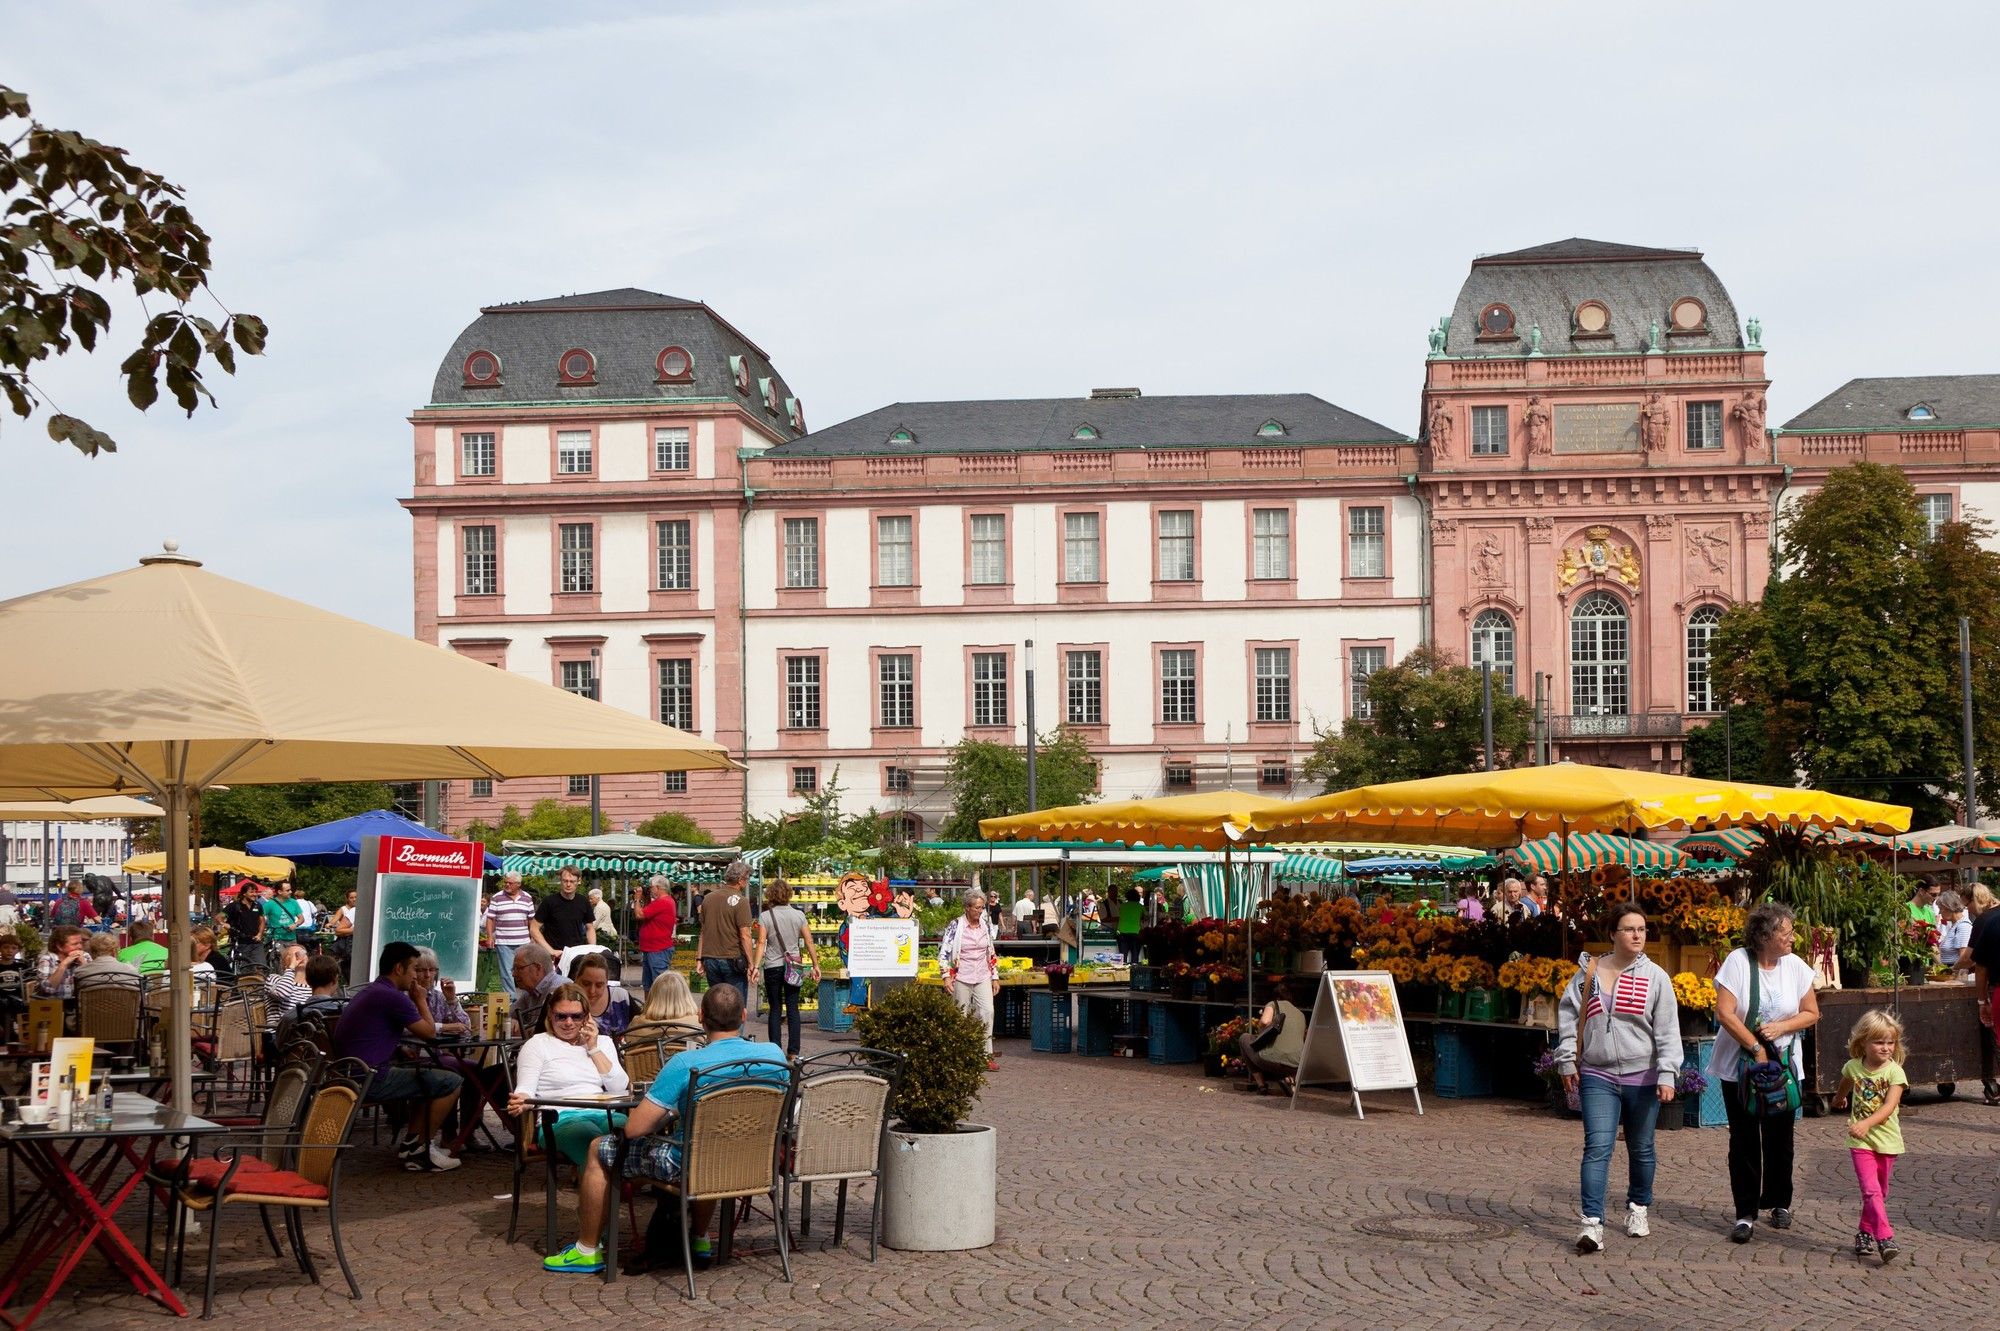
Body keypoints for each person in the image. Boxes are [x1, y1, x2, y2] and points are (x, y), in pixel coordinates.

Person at [541, 985, 785, 1275]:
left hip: (687, 1163)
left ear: (701, 1016)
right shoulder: (774, 1055)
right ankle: (698, 1239)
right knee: (710, 1147)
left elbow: (634, 1129)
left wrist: (671, 1110)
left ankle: (587, 1249)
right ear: (743, 1015)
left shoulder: (686, 1063)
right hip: (751, 1159)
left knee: (597, 1148)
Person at [1556, 902, 1681, 1254]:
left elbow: (1668, 1029)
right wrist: (1567, 1061)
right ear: (1613, 934)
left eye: (1642, 929)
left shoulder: (1656, 977)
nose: (1637, 935)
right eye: (1629, 929)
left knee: (1642, 1148)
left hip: (1644, 1075)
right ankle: (1592, 1224)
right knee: (1597, 1147)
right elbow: (1568, 1017)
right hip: (1597, 1072)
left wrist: (1668, 1073)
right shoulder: (1588, 972)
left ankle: (1638, 1208)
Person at [1708, 901, 1820, 1243]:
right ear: (1765, 935)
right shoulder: (1738, 963)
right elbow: (1725, 1013)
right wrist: (1755, 1047)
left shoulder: (1796, 967)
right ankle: (1745, 1212)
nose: (1792, 938)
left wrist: (1782, 1026)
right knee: (1743, 1139)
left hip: (1782, 1067)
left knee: (1780, 1138)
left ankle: (1778, 1201)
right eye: (1786, 933)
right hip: (1740, 1068)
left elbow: (1812, 1012)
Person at [330, 940, 464, 1172]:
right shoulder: (393, 997)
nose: (415, 976)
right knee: (452, 1081)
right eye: (413, 969)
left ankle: (413, 1144)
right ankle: (421, 1149)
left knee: (429, 1078)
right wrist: (421, 1000)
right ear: (399, 969)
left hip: (350, 1071)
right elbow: (430, 1033)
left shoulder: (373, 991)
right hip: (370, 1077)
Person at [510, 981, 630, 1170]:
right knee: (592, 1139)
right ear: (550, 1015)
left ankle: (610, 1189)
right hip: (560, 1118)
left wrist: (593, 1048)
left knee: (629, 1132)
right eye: (561, 1016)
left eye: (576, 1016)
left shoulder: (603, 1043)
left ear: (587, 1017)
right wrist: (522, 1100)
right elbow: (526, 1089)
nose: (568, 1022)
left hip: (603, 1114)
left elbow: (620, 1088)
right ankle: (610, 1192)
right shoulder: (537, 1044)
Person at [1834, 1009, 1909, 1264]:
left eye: (1890, 1042)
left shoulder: (1895, 1073)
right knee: (1870, 1189)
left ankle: (1864, 1232)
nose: (1886, 1048)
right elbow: (1845, 1082)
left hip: (1887, 1140)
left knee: (1880, 1191)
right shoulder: (1854, 1067)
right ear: (1863, 1042)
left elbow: (1889, 1108)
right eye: (1879, 1042)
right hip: (1860, 1142)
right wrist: (1839, 1098)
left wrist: (1866, 1123)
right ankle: (1885, 1237)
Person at [753, 879, 817, 1056]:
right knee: (792, 1008)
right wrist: (815, 964)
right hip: (794, 966)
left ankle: (775, 1050)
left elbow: (761, 942)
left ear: (771, 895)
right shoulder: (799, 915)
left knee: (775, 1008)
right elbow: (809, 941)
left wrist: (755, 966)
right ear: (789, 894)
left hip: (773, 965)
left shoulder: (766, 916)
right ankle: (793, 1051)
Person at [939, 889, 1000, 1072]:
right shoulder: (955, 926)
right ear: (967, 908)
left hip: (982, 975)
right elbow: (944, 953)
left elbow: (990, 952)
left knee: (988, 1012)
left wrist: (995, 977)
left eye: (982, 908)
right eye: (977, 908)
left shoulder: (985, 925)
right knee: (960, 1015)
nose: (980, 911)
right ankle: (957, 1055)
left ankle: (985, 1055)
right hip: (962, 976)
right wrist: (946, 976)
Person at [695, 860, 755, 1013]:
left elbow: (703, 931)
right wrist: (752, 963)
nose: (747, 882)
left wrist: (699, 959)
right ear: (740, 880)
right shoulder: (741, 901)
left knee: (716, 1006)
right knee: (736, 1007)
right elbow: (745, 935)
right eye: (747, 879)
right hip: (732, 959)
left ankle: (716, 1035)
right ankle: (734, 1036)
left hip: (710, 958)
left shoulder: (708, 899)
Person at [1237, 979, 1306, 1094]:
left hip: (1271, 1061)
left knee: (1244, 1038)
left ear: (1276, 997)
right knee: (1285, 1052)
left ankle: (1261, 1086)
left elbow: (1265, 1021)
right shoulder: (1301, 1014)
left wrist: (1260, 1028)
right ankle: (1288, 1079)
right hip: (1296, 1065)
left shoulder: (1273, 1004)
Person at [480, 873, 535, 999]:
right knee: (507, 973)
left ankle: (527, 997)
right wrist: (489, 937)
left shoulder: (527, 898)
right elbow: (490, 919)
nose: (507, 885)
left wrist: (533, 939)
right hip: (504, 941)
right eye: (506, 882)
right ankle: (511, 1000)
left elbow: (531, 920)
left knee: (525, 971)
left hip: (524, 941)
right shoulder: (497, 897)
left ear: (518, 884)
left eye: (510, 883)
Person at [274, 955, 347, 1048]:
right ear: (335, 980)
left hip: (306, 1060)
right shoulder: (347, 1011)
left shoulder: (292, 1017)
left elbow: (280, 1046)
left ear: (307, 981)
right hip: (344, 1061)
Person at [530, 867, 595, 954]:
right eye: (565, 881)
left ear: (579, 881)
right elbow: (534, 928)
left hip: (576, 953)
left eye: (572, 881)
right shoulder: (549, 901)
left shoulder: (583, 901)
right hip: (553, 955)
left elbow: (590, 928)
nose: (568, 884)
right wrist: (550, 950)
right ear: (560, 880)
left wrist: (593, 950)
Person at [625, 971, 702, 1043]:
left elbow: (628, 1051)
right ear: (686, 996)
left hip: (648, 1057)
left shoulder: (636, 1025)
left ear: (653, 995)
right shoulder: (699, 1024)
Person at [570, 951, 633, 1037]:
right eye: (586, 984)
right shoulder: (566, 1000)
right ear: (576, 980)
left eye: (599, 985)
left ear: (607, 982)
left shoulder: (621, 997)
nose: (592, 991)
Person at [636, 875, 679, 994]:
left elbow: (639, 914)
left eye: (651, 887)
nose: (650, 890)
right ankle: (650, 1010)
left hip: (657, 949)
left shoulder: (662, 902)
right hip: (653, 949)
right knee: (649, 985)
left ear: (658, 887)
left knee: (659, 985)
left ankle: (660, 1010)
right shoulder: (666, 901)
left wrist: (637, 899)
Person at [510, 943, 562, 1038]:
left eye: (519, 968)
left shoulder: (559, 988)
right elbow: (509, 1014)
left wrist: (521, 1028)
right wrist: (511, 1021)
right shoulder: (530, 991)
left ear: (538, 968)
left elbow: (543, 1030)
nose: (514, 974)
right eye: (513, 969)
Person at [71, 933, 143, 995]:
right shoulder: (130, 970)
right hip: (126, 1009)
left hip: (91, 1010)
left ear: (92, 952)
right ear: (114, 951)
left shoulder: (81, 972)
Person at [223, 882, 267, 974]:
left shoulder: (258, 905)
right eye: (251, 892)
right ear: (244, 893)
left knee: (261, 967)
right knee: (245, 969)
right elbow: (218, 917)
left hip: (256, 942)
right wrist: (224, 924)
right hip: (241, 942)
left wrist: (259, 934)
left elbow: (262, 921)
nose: (255, 894)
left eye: (256, 892)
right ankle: (244, 986)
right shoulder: (234, 905)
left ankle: (259, 985)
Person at [36, 925, 89, 998]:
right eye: (75, 944)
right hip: (54, 1005)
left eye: (80, 943)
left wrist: (83, 963)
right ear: (59, 946)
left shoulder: (85, 956)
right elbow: (48, 989)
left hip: (78, 1005)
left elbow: (92, 985)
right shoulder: (47, 959)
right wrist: (63, 965)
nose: (80, 947)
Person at [265, 944, 312, 1019]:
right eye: (293, 955)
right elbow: (282, 993)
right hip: (282, 1029)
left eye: (302, 953)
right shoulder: (274, 979)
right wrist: (291, 967)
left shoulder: (313, 986)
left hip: (309, 1028)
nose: (298, 956)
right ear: (284, 964)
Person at [262, 880, 306, 948]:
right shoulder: (270, 904)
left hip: (292, 938)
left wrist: (295, 925)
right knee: (279, 958)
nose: (291, 892)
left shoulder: (293, 902)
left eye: (290, 890)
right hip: (276, 939)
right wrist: (262, 929)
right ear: (279, 892)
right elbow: (259, 918)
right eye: (287, 890)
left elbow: (301, 918)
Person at [1936, 890, 1970, 967]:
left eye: (1941, 908)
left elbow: (1963, 957)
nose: (1940, 912)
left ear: (1948, 907)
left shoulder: (1963, 926)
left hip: (1955, 973)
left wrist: (1950, 971)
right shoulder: (1955, 925)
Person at [1115, 887, 1143, 963]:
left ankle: (1122, 971)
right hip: (1135, 933)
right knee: (1135, 955)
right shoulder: (1140, 906)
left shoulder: (1122, 905)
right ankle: (1134, 971)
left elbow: (1118, 916)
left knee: (1123, 956)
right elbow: (1146, 917)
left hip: (1122, 933)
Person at [331, 888, 357, 970]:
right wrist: (329, 924)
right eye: (351, 898)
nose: (354, 899)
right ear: (347, 899)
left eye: (356, 897)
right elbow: (334, 920)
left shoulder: (360, 910)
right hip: (345, 939)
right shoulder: (343, 909)